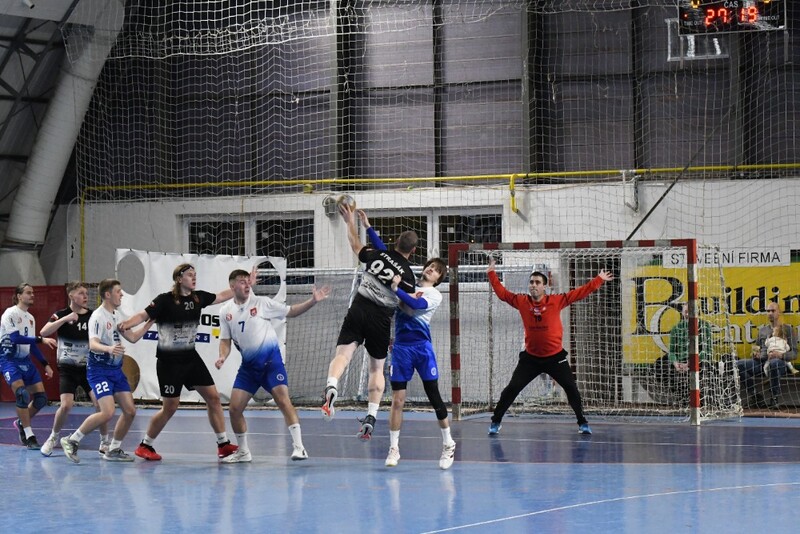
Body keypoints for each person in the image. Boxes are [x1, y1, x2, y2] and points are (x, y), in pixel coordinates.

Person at [120, 263, 256, 461]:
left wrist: (245, 284)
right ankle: (145, 445)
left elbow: (220, 296)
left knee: (213, 398)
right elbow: (143, 315)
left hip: (191, 358)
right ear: (179, 279)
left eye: (195, 275)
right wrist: (127, 324)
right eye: (190, 275)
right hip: (169, 362)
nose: (194, 278)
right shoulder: (164, 300)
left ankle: (223, 444)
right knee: (170, 406)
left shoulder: (197, 298)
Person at [360, 216, 456, 468]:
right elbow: (385, 255)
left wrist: (396, 290)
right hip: (401, 348)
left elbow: (415, 303)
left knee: (434, 396)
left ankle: (448, 444)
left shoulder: (434, 295)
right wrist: (369, 227)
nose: (431, 269)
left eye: (436, 270)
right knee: (397, 400)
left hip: (422, 349)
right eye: (430, 266)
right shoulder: (408, 280)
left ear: (439, 278)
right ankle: (394, 449)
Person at [485, 257, 614, 436]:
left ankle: (582, 423)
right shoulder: (522, 301)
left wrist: (598, 279)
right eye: (531, 282)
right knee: (511, 389)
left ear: (544, 286)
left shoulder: (557, 300)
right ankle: (496, 421)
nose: (533, 285)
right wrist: (491, 273)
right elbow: (502, 294)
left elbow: (579, 293)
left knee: (571, 389)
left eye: (537, 282)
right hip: (530, 359)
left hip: (555, 358)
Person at [321, 204, 417, 441]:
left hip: (359, 306)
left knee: (343, 355)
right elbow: (408, 305)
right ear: (413, 251)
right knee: (376, 369)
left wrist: (350, 222)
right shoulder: (408, 275)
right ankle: (371, 416)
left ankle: (332, 385)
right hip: (381, 318)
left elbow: (355, 244)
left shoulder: (378, 255)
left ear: (395, 242)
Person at [215, 269, 330, 463]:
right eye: (242, 281)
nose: (247, 284)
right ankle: (243, 452)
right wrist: (222, 356)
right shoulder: (225, 311)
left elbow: (291, 311)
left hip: (271, 365)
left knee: (283, 401)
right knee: (234, 409)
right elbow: (225, 340)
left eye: (248, 281)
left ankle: (299, 448)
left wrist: (312, 301)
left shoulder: (262, 303)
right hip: (249, 368)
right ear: (232, 286)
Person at [60, 279, 154, 463]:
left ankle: (113, 449)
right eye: (118, 291)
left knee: (130, 411)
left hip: (115, 371)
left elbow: (133, 337)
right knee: (107, 412)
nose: (122, 294)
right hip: (99, 371)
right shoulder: (98, 316)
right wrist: (109, 349)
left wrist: (149, 323)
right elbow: (93, 344)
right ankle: (72, 440)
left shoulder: (116, 316)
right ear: (108, 294)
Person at [38, 282, 110, 457]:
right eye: (81, 293)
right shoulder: (61, 314)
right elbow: (43, 332)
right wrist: (65, 319)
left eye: (86, 293)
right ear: (71, 296)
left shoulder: (93, 316)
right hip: (68, 369)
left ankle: (104, 441)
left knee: (100, 404)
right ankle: (53, 437)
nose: (86, 296)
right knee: (66, 405)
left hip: (89, 370)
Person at [1, 283, 59, 450]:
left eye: (33, 292)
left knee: (41, 399)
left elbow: (31, 344)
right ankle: (29, 435)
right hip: (9, 360)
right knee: (22, 395)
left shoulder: (30, 318)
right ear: (19, 296)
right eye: (28, 292)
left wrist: (45, 364)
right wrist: (42, 339)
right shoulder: (10, 313)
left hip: (25, 360)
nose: (32, 295)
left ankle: (21, 422)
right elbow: (15, 339)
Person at [737, 302, 798, 408]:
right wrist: (755, 354)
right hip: (761, 362)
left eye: (773, 311)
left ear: (779, 312)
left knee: (774, 363)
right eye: (768, 311)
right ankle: (755, 396)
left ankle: (774, 398)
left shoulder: (787, 329)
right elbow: (756, 348)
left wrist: (780, 355)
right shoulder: (763, 330)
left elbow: (794, 353)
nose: (770, 313)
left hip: (780, 363)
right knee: (738, 364)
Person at [653, 303, 714, 398]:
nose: (688, 314)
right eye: (686, 312)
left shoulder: (705, 326)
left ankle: (697, 397)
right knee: (660, 364)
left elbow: (708, 350)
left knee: (704, 365)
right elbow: (672, 351)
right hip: (681, 361)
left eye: (690, 312)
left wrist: (690, 363)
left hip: (698, 361)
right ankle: (678, 395)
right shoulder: (676, 328)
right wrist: (676, 363)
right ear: (682, 313)